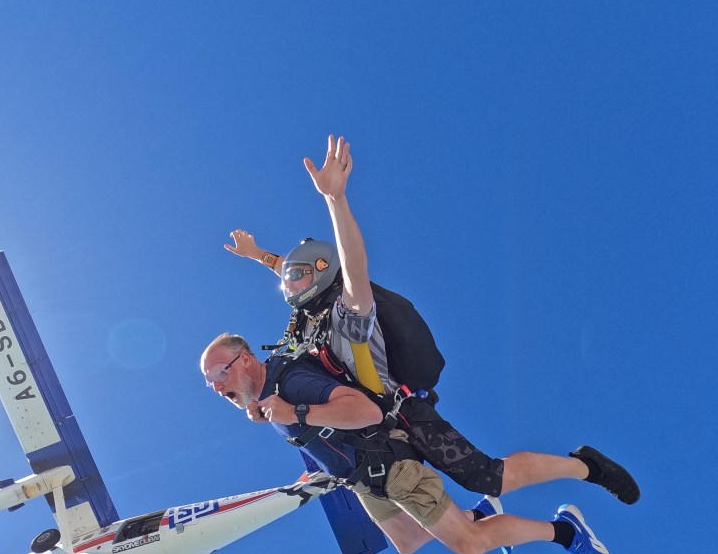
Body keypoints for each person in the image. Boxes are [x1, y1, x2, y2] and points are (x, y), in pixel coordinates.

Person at [224, 134, 640, 512]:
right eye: (288, 279)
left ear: (322, 268)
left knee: (488, 477)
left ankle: (585, 466)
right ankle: (478, 524)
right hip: (373, 428)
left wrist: (336, 200)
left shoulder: (349, 314)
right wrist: (259, 254)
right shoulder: (306, 319)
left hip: (405, 413)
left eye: (300, 275)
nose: (290, 284)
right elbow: (289, 271)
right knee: (408, 525)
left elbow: (352, 264)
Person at [199, 333, 613, 554]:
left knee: (469, 546)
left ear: (247, 359)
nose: (217, 388)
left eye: (220, 373)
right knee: (409, 541)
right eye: (209, 383)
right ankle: (481, 514)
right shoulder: (269, 395)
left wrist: (297, 413)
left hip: (390, 467)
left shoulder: (290, 383)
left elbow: (365, 412)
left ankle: (566, 532)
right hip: (363, 479)